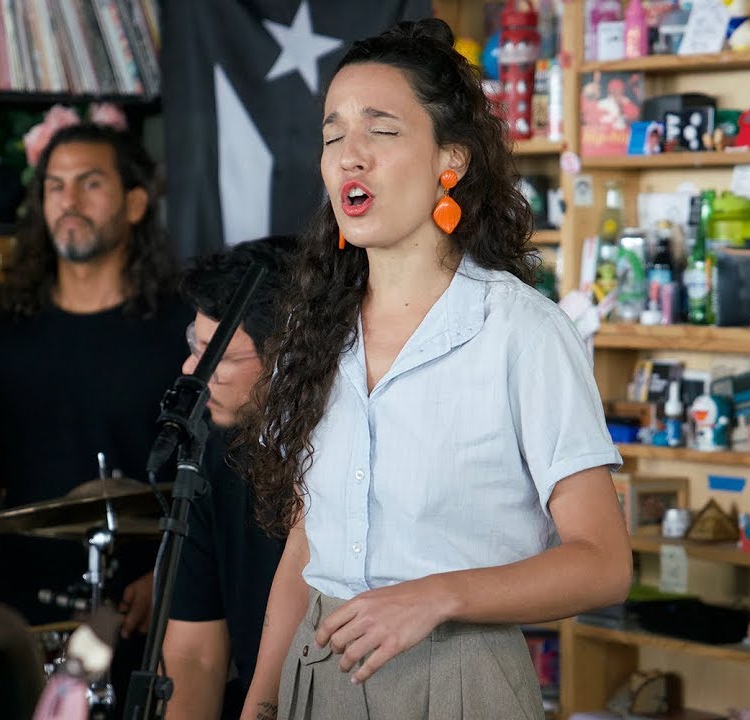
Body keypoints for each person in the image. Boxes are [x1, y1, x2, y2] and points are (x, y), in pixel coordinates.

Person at [234, 19, 633, 720]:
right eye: (333, 136)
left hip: (458, 677)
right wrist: (262, 701)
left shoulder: (522, 333)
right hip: (315, 670)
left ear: (451, 160)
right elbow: (308, 539)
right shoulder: (312, 329)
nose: (348, 156)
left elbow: (603, 562)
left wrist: (441, 593)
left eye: (380, 131)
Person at [0, 121, 193, 715]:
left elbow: (223, 476)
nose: (67, 202)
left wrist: (174, 578)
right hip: (23, 600)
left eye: (89, 183)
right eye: (54, 186)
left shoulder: (186, 330)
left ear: (135, 202)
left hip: (147, 604)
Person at [162, 236, 297, 720]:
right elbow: (192, 653)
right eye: (193, 345)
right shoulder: (210, 450)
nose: (190, 369)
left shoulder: (347, 454)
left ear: (289, 357)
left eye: (216, 355)